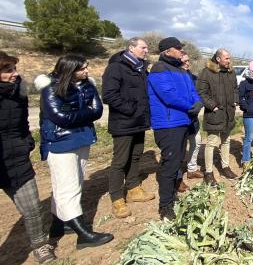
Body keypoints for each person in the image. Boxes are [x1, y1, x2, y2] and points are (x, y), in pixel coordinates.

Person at [35, 54, 113, 248]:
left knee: (74, 183)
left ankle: (59, 225)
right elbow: (61, 118)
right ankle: (84, 235)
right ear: (69, 69)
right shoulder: (50, 88)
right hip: (61, 143)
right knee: (67, 188)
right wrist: (84, 113)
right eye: (82, 68)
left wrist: (77, 114)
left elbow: (97, 111)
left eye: (86, 67)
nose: (87, 71)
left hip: (82, 138)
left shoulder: (87, 85)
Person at [0, 52, 56, 263]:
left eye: (14, 69)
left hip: (16, 159)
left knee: (32, 207)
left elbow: (23, 122)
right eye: (8, 71)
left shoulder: (18, 91)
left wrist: (26, 141)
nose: (15, 74)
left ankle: (40, 245)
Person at [148, 37, 202, 221]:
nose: (181, 51)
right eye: (177, 48)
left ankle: (172, 197)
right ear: (167, 51)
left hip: (183, 122)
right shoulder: (159, 69)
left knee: (177, 162)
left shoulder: (180, 69)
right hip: (168, 124)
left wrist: (197, 102)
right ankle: (165, 207)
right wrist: (190, 105)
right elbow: (168, 96)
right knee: (170, 165)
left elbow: (192, 91)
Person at [102, 37, 154, 219]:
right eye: (143, 47)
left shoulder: (141, 69)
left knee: (136, 156)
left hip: (139, 122)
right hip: (124, 122)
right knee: (120, 160)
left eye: (146, 48)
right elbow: (108, 95)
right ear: (131, 48)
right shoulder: (116, 67)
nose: (146, 50)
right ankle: (117, 199)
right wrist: (130, 109)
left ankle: (133, 188)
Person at [197, 48, 239, 187]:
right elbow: (201, 92)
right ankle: (208, 173)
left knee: (226, 141)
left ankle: (225, 168)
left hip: (229, 113)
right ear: (218, 59)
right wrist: (212, 106)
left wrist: (235, 100)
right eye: (226, 58)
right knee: (211, 143)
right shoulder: (207, 72)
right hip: (215, 113)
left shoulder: (231, 72)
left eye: (229, 58)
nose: (229, 61)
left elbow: (235, 89)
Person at [175, 54, 202, 192]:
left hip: (193, 118)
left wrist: (198, 105)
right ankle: (178, 177)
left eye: (188, 61)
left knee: (197, 142)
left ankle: (192, 169)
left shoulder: (193, 77)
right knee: (179, 149)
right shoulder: (175, 77)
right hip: (180, 119)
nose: (187, 63)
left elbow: (198, 94)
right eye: (184, 61)